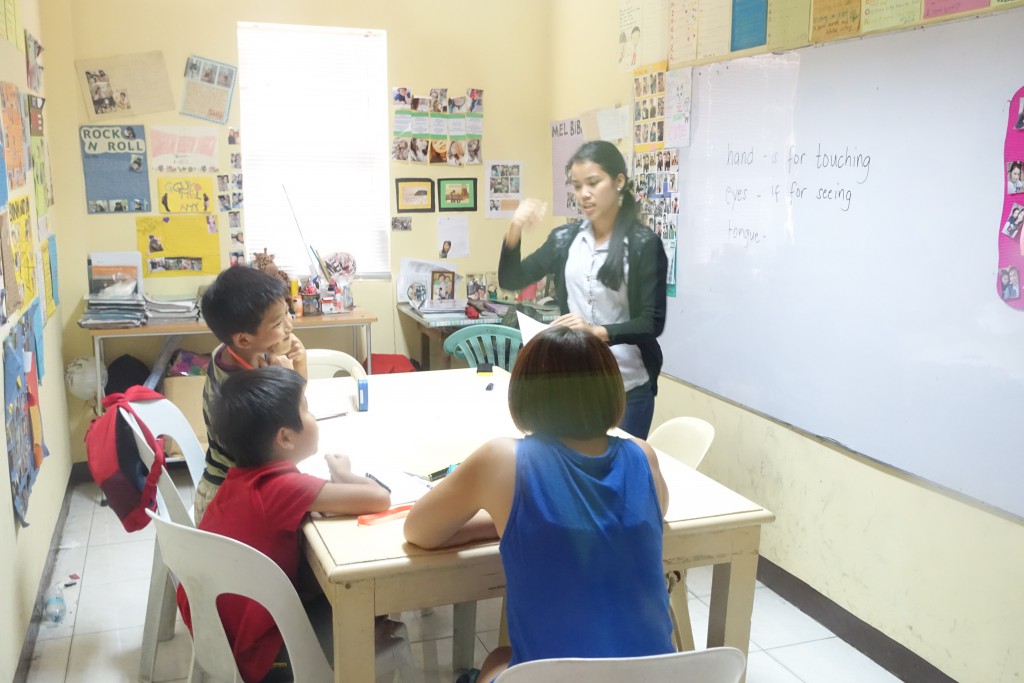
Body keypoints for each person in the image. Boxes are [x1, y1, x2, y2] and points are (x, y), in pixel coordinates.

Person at [404, 326, 673, 682]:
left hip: (557, 678)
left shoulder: (502, 459)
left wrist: (501, 521)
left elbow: (418, 531)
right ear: (611, 393)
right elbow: (656, 511)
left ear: (524, 394)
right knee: (502, 654)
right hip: (661, 676)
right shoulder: (643, 455)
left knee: (494, 663)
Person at [177, 366, 392, 683]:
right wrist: (342, 471)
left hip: (223, 640)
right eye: (307, 409)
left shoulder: (240, 479)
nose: (314, 416)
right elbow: (379, 499)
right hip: (268, 662)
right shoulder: (283, 488)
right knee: (374, 598)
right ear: (285, 438)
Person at [498, 140, 668, 438]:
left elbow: (652, 322)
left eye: (593, 182)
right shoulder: (565, 239)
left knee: (617, 475)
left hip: (627, 387)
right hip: (575, 380)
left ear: (618, 182)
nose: (584, 194)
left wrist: (596, 332)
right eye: (577, 186)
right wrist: (515, 228)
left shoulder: (643, 244)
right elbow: (512, 279)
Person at [193, 266, 309, 522]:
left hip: (227, 482)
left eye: (288, 312)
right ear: (244, 340)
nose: (290, 324)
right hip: (230, 501)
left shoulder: (228, 351)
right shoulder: (246, 390)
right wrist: (289, 376)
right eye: (278, 323)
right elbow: (298, 431)